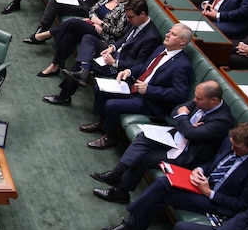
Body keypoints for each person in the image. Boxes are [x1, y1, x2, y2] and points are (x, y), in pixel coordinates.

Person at [102, 123, 248, 230]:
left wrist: (209, 193)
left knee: (159, 193)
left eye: (237, 148)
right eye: (231, 144)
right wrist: (200, 169)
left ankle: (129, 228)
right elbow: (214, 162)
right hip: (200, 184)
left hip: (216, 203)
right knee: (162, 183)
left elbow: (242, 205)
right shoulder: (230, 143)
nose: (232, 149)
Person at [91, 79, 233, 205]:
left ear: (213, 100)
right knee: (143, 137)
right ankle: (115, 175)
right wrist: (186, 123)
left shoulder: (222, 120)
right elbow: (176, 110)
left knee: (144, 158)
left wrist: (184, 118)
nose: (194, 100)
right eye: (195, 97)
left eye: (199, 99)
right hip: (176, 138)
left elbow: (190, 131)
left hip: (187, 155)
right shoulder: (202, 101)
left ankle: (120, 192)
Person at [85, 23, 195, 152]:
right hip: (136, 87)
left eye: (173, 34)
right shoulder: (161, 49)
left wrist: (149, 90)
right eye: (169, 32)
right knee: (100, 88)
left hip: (151, 102)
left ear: (182, 42)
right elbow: (145, 67)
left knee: (112, 105)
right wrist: (129, 71)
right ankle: (101, 124)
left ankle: (111, 136)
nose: (167, 35)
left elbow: (179, 94)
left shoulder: (182, 65)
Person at [43, 0, 161, 106]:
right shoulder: (136, 22)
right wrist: (112, 48)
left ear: (143, 14)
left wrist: (114, 62)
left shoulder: (151, 37)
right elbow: (123, 40)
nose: (128, 20)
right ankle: (83, 70)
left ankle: (66, 93)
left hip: (119, 68)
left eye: (130, 17)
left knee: (84, 63)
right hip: (113, 54)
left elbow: (139, 64)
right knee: (88, 38)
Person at [30, 0, 135, 76]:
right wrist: (93, 21)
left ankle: (48, 34)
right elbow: (92, 9)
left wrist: (100, 23)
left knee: (74, 22)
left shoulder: (126, 8)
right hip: (92, 25)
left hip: (104, 35)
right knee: (69, 35)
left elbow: (119, 32)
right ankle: (55, 65)